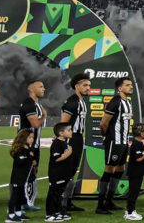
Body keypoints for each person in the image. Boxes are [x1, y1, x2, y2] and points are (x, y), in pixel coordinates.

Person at [97, 77, 134, 214]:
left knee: (120, 168)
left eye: (131, 85)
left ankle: (109, 201)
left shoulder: (128, 102)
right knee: (109, 169)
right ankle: (100, 205)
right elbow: (103, 123)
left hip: (124, 141)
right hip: (114, 141)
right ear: (120, 88)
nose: (131, 87)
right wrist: (105, 136)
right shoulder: (115, 102)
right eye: (127, 85)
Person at [60, 73, 91, 213]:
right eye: (85, 85)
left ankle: (68, 201)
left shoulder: (82, 101)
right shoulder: (72, 102)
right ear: (76, 86)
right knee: (67, 170)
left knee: (72, 170)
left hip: (78, 138)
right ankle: (61, 203)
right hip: (71, 139)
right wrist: (63, 141)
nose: (88, 88)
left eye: (89, 85)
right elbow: (63, 123)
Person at [18, 79, 47, 211]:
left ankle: (27, 201)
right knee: (26, 173)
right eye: (40, 87)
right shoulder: (29, 104)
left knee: (33, 172)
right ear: (31, 89)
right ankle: (22, 202)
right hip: (26, 146)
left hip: (35, 145)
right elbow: (35, 124)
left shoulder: (36, 105)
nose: (43, 89)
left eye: (43, 87)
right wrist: (44, 116)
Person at [46, 122, 74, 222]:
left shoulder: (64, 142)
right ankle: (49, 214)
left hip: (63, 173)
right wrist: (69, 152)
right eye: (69, 130)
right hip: (56, 174)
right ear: (61, 133)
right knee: (53, 193)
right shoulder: (57, 144)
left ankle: (58, 211)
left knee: (59, 194)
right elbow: (57, 158)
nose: (71, 132)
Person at [7, 129, 36, 223]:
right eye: (30, 137)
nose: (32, 139)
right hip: (17, 177)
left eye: (32, 137)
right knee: (14, 196)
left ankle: (18, 213)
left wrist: (31, 160)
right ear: (23, 138)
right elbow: (20, 161)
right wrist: (30, 157)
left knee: (20, 195)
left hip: (24, 177)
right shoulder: (19, 149)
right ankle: (11, 215)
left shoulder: (28, 148)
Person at [125, 123, 144, 221]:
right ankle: (131, 212)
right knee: (133, 192)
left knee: (134, 191)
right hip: (135, 172)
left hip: (137, 172)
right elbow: (138, 159)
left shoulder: (138, 143)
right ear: (140, 133)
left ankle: (130, 210)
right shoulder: (136, 144)